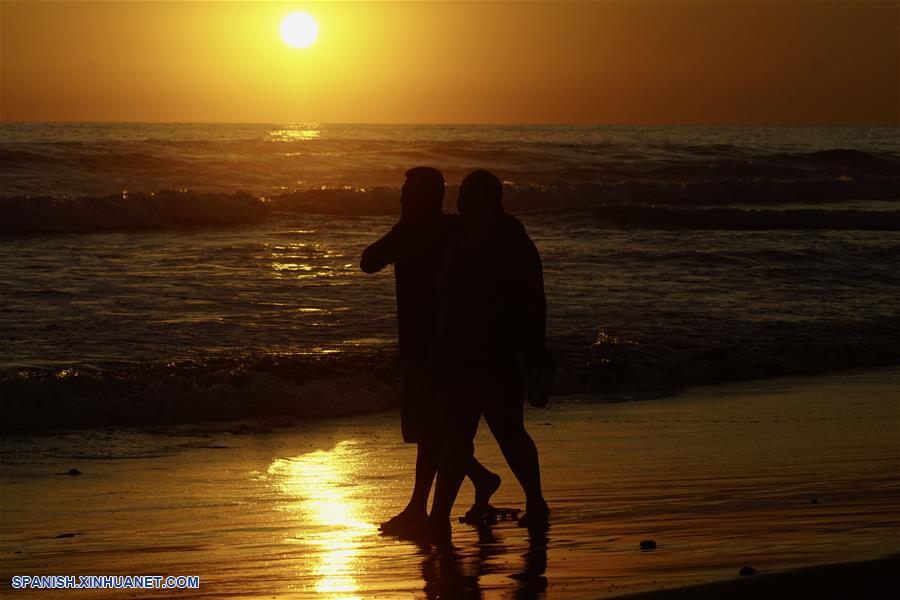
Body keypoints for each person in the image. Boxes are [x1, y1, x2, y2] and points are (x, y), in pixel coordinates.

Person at [360, 166, 501, 535]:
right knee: (437, 430)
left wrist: (402, 228)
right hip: (451, 343)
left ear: (422, 197)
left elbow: (368, 261)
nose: (401, 197)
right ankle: (470, 484)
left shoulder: (412, 232)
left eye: (407, 192)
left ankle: (423, 509)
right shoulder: (454, 229)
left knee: (431, 430)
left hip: (425, 345)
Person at [424, 169, 550, 543]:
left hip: (494, 353)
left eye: (467, 194)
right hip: (466, 352)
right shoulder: (476, 237)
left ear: (488, 200)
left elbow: (532, 301)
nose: (459, 200)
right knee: (461, 436)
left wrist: (533, 350)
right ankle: (440, 517)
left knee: (503, 432)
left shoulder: (505, 241)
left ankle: (536, 502)